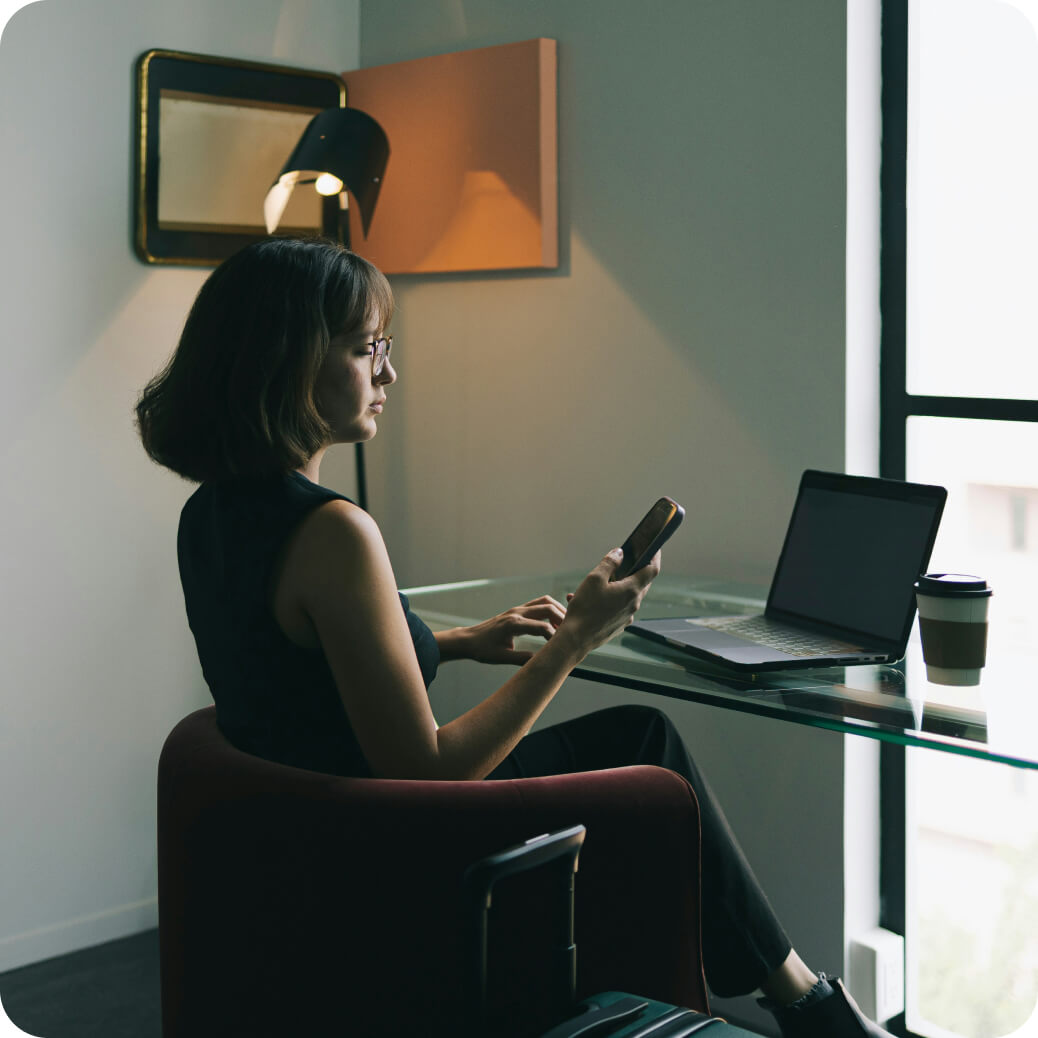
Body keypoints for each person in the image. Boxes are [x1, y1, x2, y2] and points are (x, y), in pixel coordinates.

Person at [136, 236, 894, 1038]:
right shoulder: (334, 533)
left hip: (312, 845)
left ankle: (798, 1002)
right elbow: (431, 771)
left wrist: (461, 641)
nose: (388, 374)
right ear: (287, 362)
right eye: (366, 350)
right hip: (394, 848)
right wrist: (575, 639)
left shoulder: (211, 515)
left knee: (638, 739)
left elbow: (298, 676)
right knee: (648, 753)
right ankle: (805, 1008)